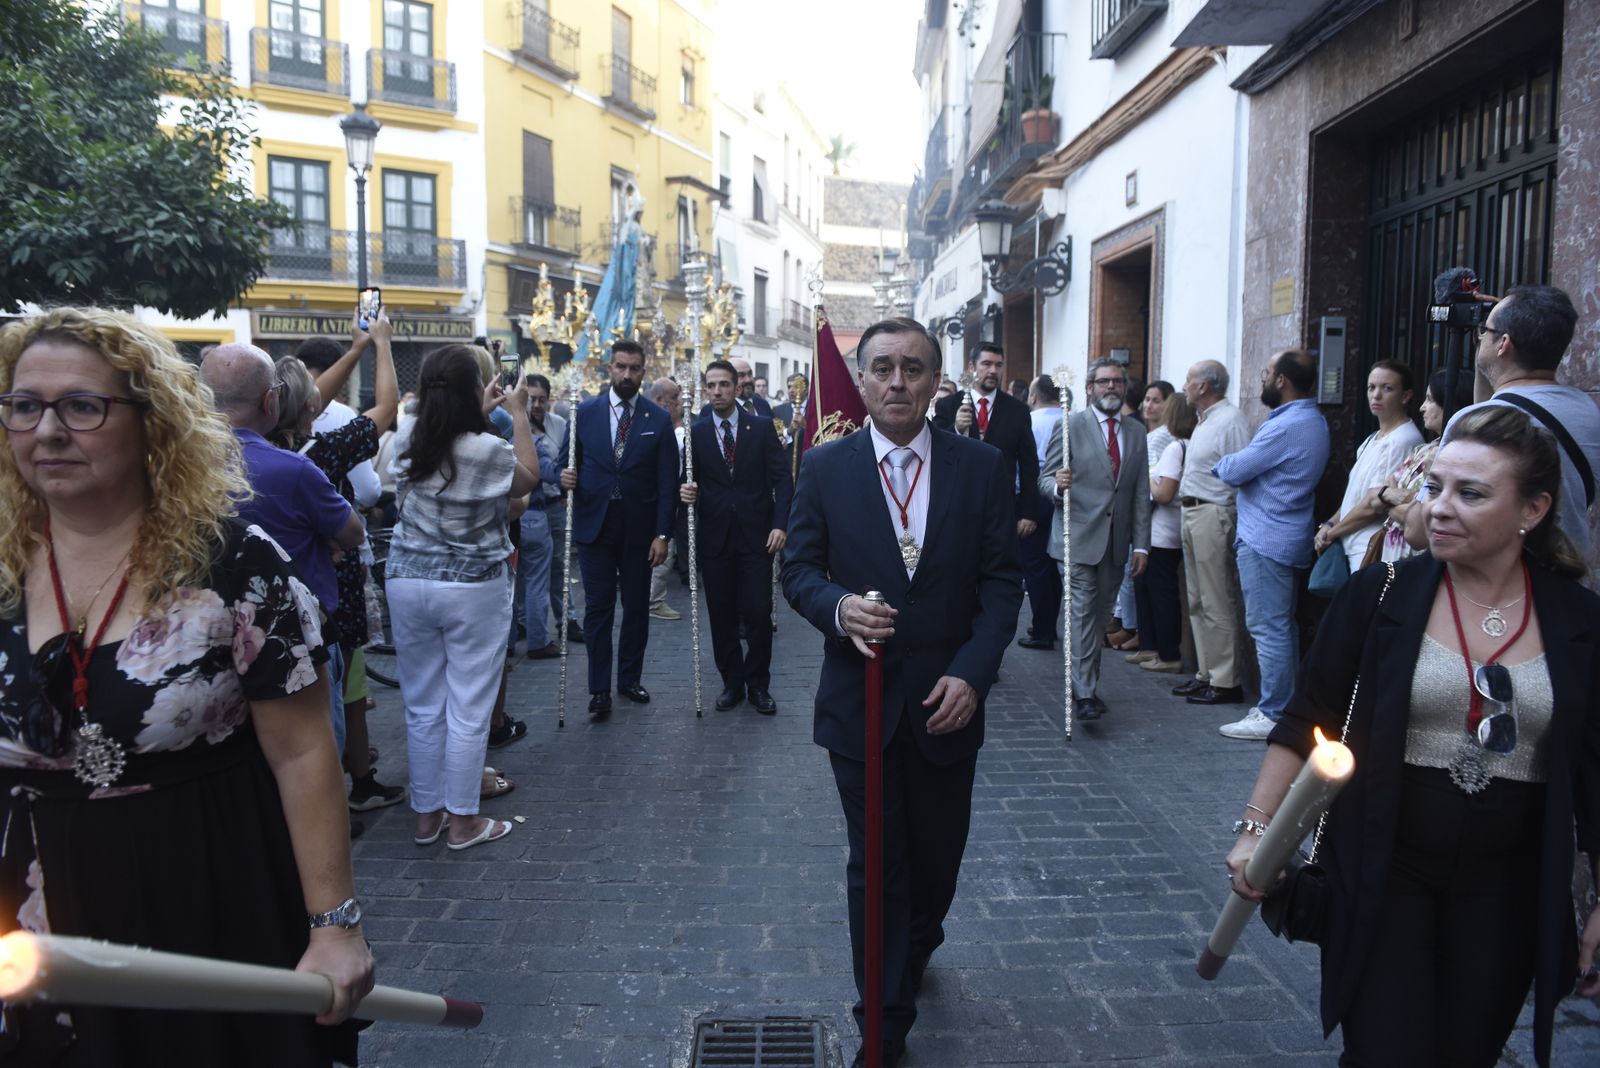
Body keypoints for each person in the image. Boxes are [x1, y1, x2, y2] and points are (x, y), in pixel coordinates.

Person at [0, 308, 372, 1063]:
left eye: (82, 405)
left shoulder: (235, 561)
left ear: (152, 422)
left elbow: (303, 750)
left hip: (208, 887)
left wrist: (335, 926)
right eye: (24, 405)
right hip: (31, 906)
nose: (47, 430)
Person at [1225, 405, 1600, 1067]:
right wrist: (1257, 830)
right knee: (1385, 1051)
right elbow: (1305, 717)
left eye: (1472, 493)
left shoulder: (1576, 619)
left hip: (1505, 891)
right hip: (1386, 867)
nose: (1442, 508)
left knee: (1464, 1054)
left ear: (1532, 510)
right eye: (1435, 488)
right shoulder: (1381, 592)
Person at [782, 318, 1022, 1068]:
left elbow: (1000, 583)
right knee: (876, 866)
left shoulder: (981, 468)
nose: (896, 382)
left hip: (947, 708)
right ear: (859, 379)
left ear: (935, 380)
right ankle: (881, 1025)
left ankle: (917, 944)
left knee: (935, 866)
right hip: (862, 709)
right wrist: (837, 608)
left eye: (913, 369)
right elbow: (799, 574)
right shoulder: (825, 469)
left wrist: (974, 673)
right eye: (882, 367)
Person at [386, 345, 538, 850]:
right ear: (472, 391)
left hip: (407, 578)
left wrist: (486, 408)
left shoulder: (408, 437)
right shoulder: (488, 449)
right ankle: (464, 822)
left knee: (422, 704)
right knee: (468, 706)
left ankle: (427, 817)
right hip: (471, 584)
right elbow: (527, 481)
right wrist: (516, 414)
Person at [200, 344, 366, 754]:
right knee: (314, 748)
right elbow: (353, 533)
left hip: (205, 632)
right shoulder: (291, 470)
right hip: (295, 636)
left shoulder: (179, 465)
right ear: (269, 400)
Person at [269, 314, 405, 812]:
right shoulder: (316, 456)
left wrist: (354, 349)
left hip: (263, 602)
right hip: (321, 597)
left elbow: (300, 402)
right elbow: (386, 407)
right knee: (335, 695)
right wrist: (380, 345)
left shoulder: (240, 448)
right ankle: (337, 800)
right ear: (310, 407)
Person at [1211, 349, 1331, 740]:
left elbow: (1236, 468)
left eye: (1266, 372)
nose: (1262, 379)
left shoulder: (1288, 424)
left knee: (1269, 628)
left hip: (1267, 537)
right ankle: (1284, 707)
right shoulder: (1310, 419)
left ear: (1281, 380)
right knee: (1281, 627)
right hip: (1283, 534)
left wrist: (1223, 465)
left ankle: (1274, 711)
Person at [558, 340, 679, 719]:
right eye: (620, 367)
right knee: (598, 608)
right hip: (594, 527)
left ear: (644, 372)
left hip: (640, 532)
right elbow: (567, 464)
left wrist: (663, 534)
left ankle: (629, 678)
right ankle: (598, 689)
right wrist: (564, 477)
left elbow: (666, 483)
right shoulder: (585, 413)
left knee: (637, 608)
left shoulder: (656, 419)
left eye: (634, 369)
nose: (626, 375)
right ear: (609, 368)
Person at [1452, 283, 1600, 557]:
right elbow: (1492, 406)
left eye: (1486, 330)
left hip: (1500, 577)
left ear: (1504, 344)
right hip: (1566, 574)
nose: (1482, 335)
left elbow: (1418, 531)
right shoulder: (1588, 411)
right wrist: (1502, 326)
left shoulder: (1469, 422)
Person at [1039, 359, 1151, 721]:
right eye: (1103, 382)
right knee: (1083, 613)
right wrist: (1059, 484)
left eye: (1118, 381)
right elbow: (1045, 479)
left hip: (1117, 543)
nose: (1111, 387)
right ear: (1089, 388)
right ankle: (1086, 692)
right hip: (1077, 538)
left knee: (1101, 617)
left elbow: (1139, 492)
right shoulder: (1070, 425)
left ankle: (1085, 682)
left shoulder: (1136, 432)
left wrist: (1142, 544)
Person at [679, 360, 793, 714]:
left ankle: (758, 685)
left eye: (724, 384)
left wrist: (780, 524)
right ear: (704, 390)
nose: (717, 391)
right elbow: (685, 478)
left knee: (758, 613)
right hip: (715, 537)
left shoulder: (760, 428)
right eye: (711, 385)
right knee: (722, 614)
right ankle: (732, 682)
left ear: (736, 387)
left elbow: (782, 481)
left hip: (756, 537)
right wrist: (687, 491)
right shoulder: (694, 432)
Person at [1172, 359, 1251, 706]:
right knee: (1197, 598)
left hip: (1213, 512)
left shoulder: (1230, 421)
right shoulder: (1205, 420)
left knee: (1217, 599)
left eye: (1190, 380)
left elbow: (1240, 471)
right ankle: (1206, 672)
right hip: (1191, 511)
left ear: (1205, 386)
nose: (1185, 385)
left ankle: (1225, 680)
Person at [1314, 360, 1423, 573]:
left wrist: (1333, 532)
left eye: (1387, 388)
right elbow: (1354, 496)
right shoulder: (1373, 438)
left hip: (1370, 548)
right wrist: (1328, 524)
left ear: (1406, 396)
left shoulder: (1402, 440)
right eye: (1371, 387)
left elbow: (1374, 504)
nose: (1376, 395)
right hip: (1351, 546)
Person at [931, 343, 1040, 543]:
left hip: (1001, 507)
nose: (993, 371)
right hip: (956, 503)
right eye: (987, 364)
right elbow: (932, 448)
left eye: (998, 365)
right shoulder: (949, 405)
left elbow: (1029, 465)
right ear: (972, 367)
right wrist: (955, 428)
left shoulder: (1017, 410)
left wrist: (1028, 512)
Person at [1376, 368, 1475, 557]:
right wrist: (1393, 497)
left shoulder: (1457, 456)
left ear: (1450, 404)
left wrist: (1389, 500)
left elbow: (1421, 516)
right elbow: (1378, 495)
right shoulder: (1421, 450)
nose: (1422, 407)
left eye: (1430, 399)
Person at [1134, 393, 1197, 674]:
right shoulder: (1188, 444)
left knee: (1161, 592)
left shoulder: (1175, 447)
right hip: (1166, 530)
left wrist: (1145, 475)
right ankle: (1152, 647)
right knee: (1149, 588)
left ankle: (1168, 653)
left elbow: (1162, 492)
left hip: (1163, 532)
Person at [527, 375, 582, 651]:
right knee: (528, 571)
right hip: (526, 508)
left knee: (559, 566)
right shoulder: (516, 424)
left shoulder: (558, 424)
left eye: (541, 399)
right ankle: (525, 623)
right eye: (531, 399)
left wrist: (564, 492)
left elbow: (567, 464)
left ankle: (568, 619)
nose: (536, 404)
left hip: (555, 506)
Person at [1125, 381, 1175, 663]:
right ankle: (1145, 640)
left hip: (1155, 517)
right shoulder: (1150, 433)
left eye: (1156, 400)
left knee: (1151, 584)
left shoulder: (1161, 438)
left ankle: (1152, 645)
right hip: (1147, 515)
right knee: (1140, 582)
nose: (1148, 405)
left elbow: (1153, 479)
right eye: (1146, 399)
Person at [1017, 375, 1065, 650]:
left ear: (1034, 397)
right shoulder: (1071, 420)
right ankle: (1048, 624)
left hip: (1035, 495)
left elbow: (1023, 467)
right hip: (1060, 495)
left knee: (1035, 566)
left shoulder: (1031, 422)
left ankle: (1042, 628)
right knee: (1053, 563)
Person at [647, 376, 686, 622]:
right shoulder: (654, 424)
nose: (680, 403)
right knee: (663, 550)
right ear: (662, 401)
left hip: (664, 498)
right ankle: (652, 600)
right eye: (676, 399)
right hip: (656, 499)